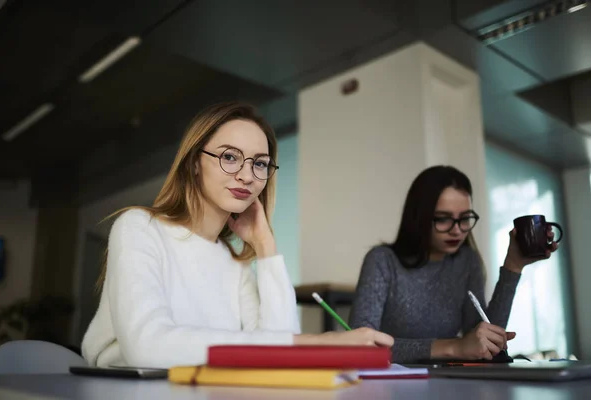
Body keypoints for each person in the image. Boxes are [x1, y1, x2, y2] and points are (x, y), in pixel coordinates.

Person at [82, 101, 394, 368]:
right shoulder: (139, 227)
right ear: (193, 163)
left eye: (260, 163)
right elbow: (147, 348)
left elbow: (277, 350)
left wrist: (265, 246)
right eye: (229, 157)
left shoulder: (234, 263)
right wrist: (317, 342)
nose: (246, 175)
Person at [348, 165, 558, 364]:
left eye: (465, 218)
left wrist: (513, 266)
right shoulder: (382, 261)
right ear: (419, 218)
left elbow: (487, 343)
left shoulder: (466, 261)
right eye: (443, 219)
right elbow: (361, 346)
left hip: (448, 381)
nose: (457, 230)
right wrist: (453, 347)